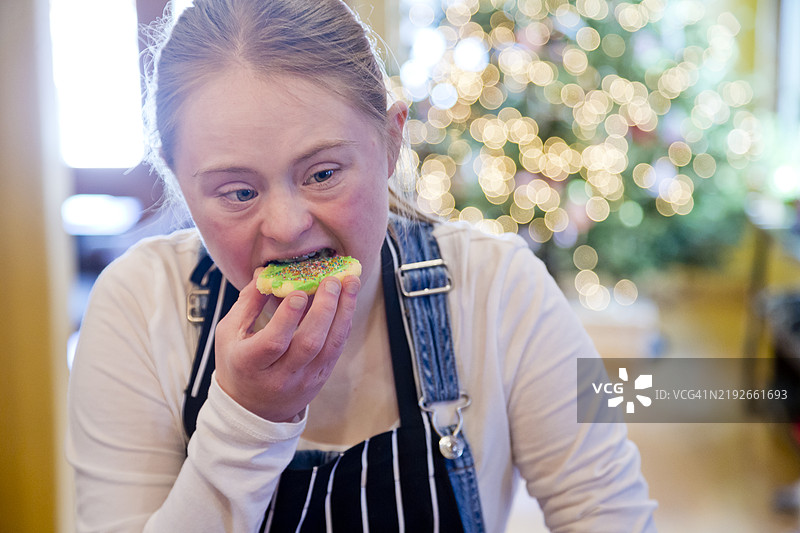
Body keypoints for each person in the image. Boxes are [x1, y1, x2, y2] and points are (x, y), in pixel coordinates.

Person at [66, 0, 658, 531]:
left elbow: (607, 511)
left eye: (322, 173)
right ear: (177, 178)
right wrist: (247, 421)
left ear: (389, 140)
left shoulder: (500, 286)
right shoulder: (138, 305)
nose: (287, 225)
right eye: (237, 192)